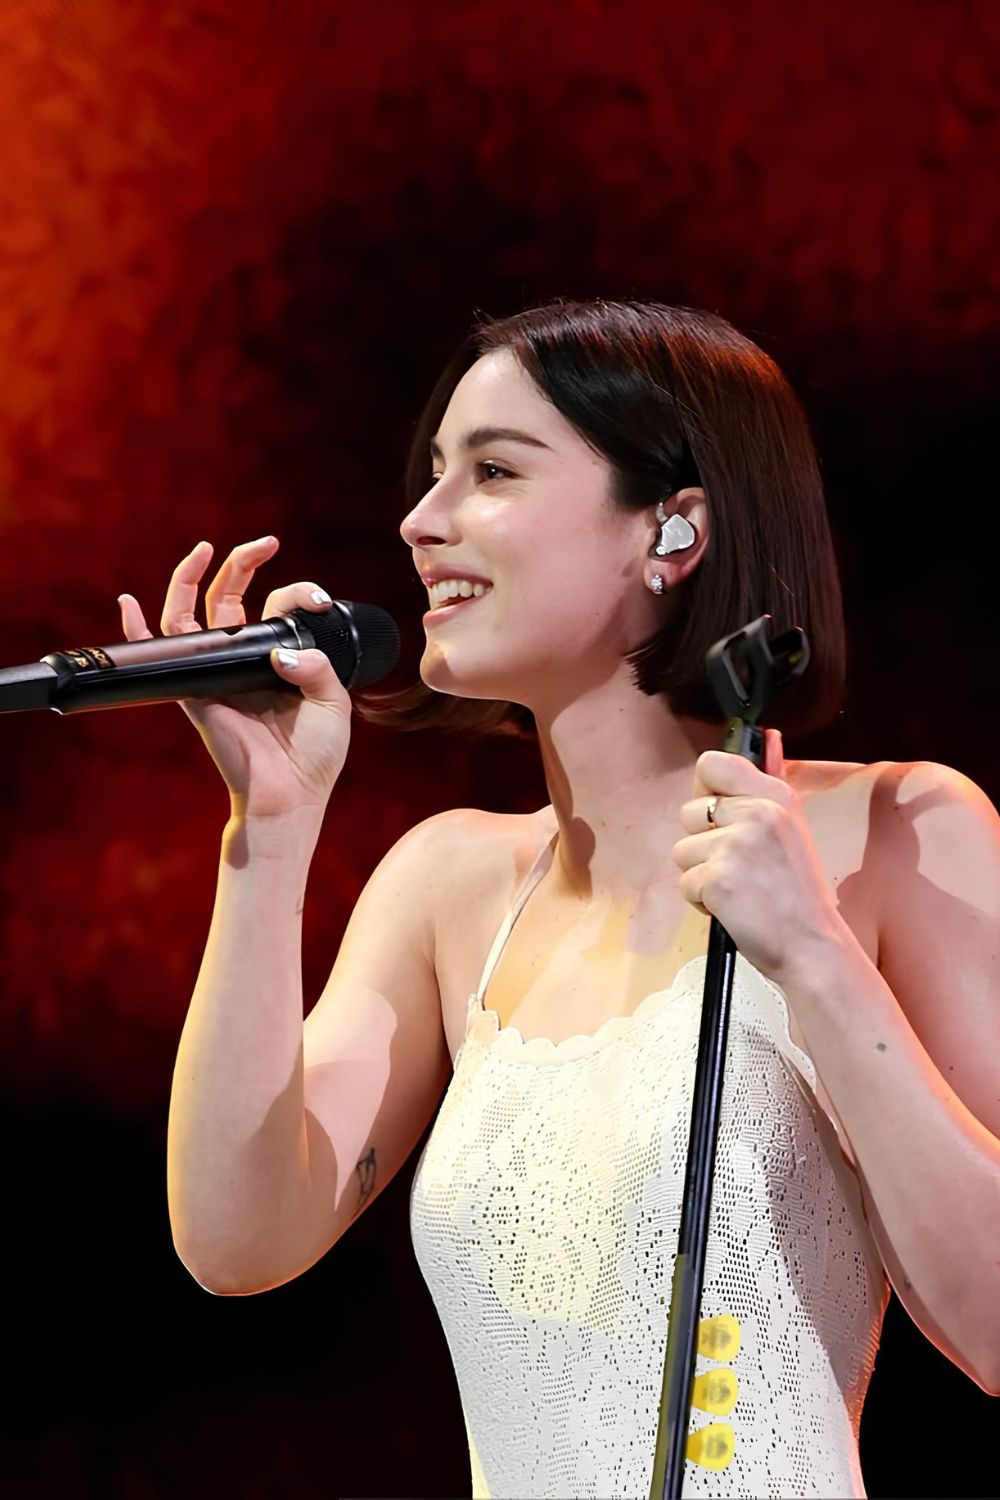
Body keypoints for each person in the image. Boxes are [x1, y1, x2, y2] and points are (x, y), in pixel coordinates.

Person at [119, 299, 1000, 1499]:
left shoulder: (897, 833)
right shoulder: (448, 883)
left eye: (490, 471)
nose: (421, 524)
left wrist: (815, 958)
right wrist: (267, 834)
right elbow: (235, 1240)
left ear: (673, 527)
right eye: (434, 474)